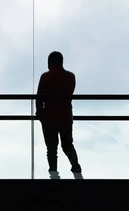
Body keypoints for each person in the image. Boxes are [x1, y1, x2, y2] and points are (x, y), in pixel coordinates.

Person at [36, 51, 83, 180]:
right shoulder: (70, 77)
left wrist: (40, 113)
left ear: (50, 63)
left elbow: (39, 97)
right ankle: (76, 166)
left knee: (51, 148)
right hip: (65, 116)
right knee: (67, 144)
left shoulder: (45, 77)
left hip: (49, 117)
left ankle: (53, 173)